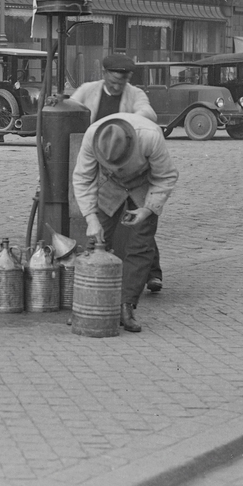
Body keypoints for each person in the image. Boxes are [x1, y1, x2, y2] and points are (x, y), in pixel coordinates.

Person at [72, 113, 179, 332]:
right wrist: (91, 219)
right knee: (95, 244)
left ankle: (126, 306)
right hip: (109, 187)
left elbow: (166, 176)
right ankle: (86, 305)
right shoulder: (93, 136)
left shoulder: (151, 137)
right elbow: (83, 178)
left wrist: (147, 210)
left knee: (140, 247)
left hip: (142, 188)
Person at [69, 53, 165, 292]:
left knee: (142, 219)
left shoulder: (136, 95)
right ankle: (103, 277)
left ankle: (152, 272)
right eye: (113, 80)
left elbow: (148, 113)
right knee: (105, 222)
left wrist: (125, 124)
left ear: (128, 78)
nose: (117, 85)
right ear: (104, 74)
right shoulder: (87, 91)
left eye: (122, 81)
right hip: (103, 163)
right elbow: (71, 108)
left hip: (132, 162)